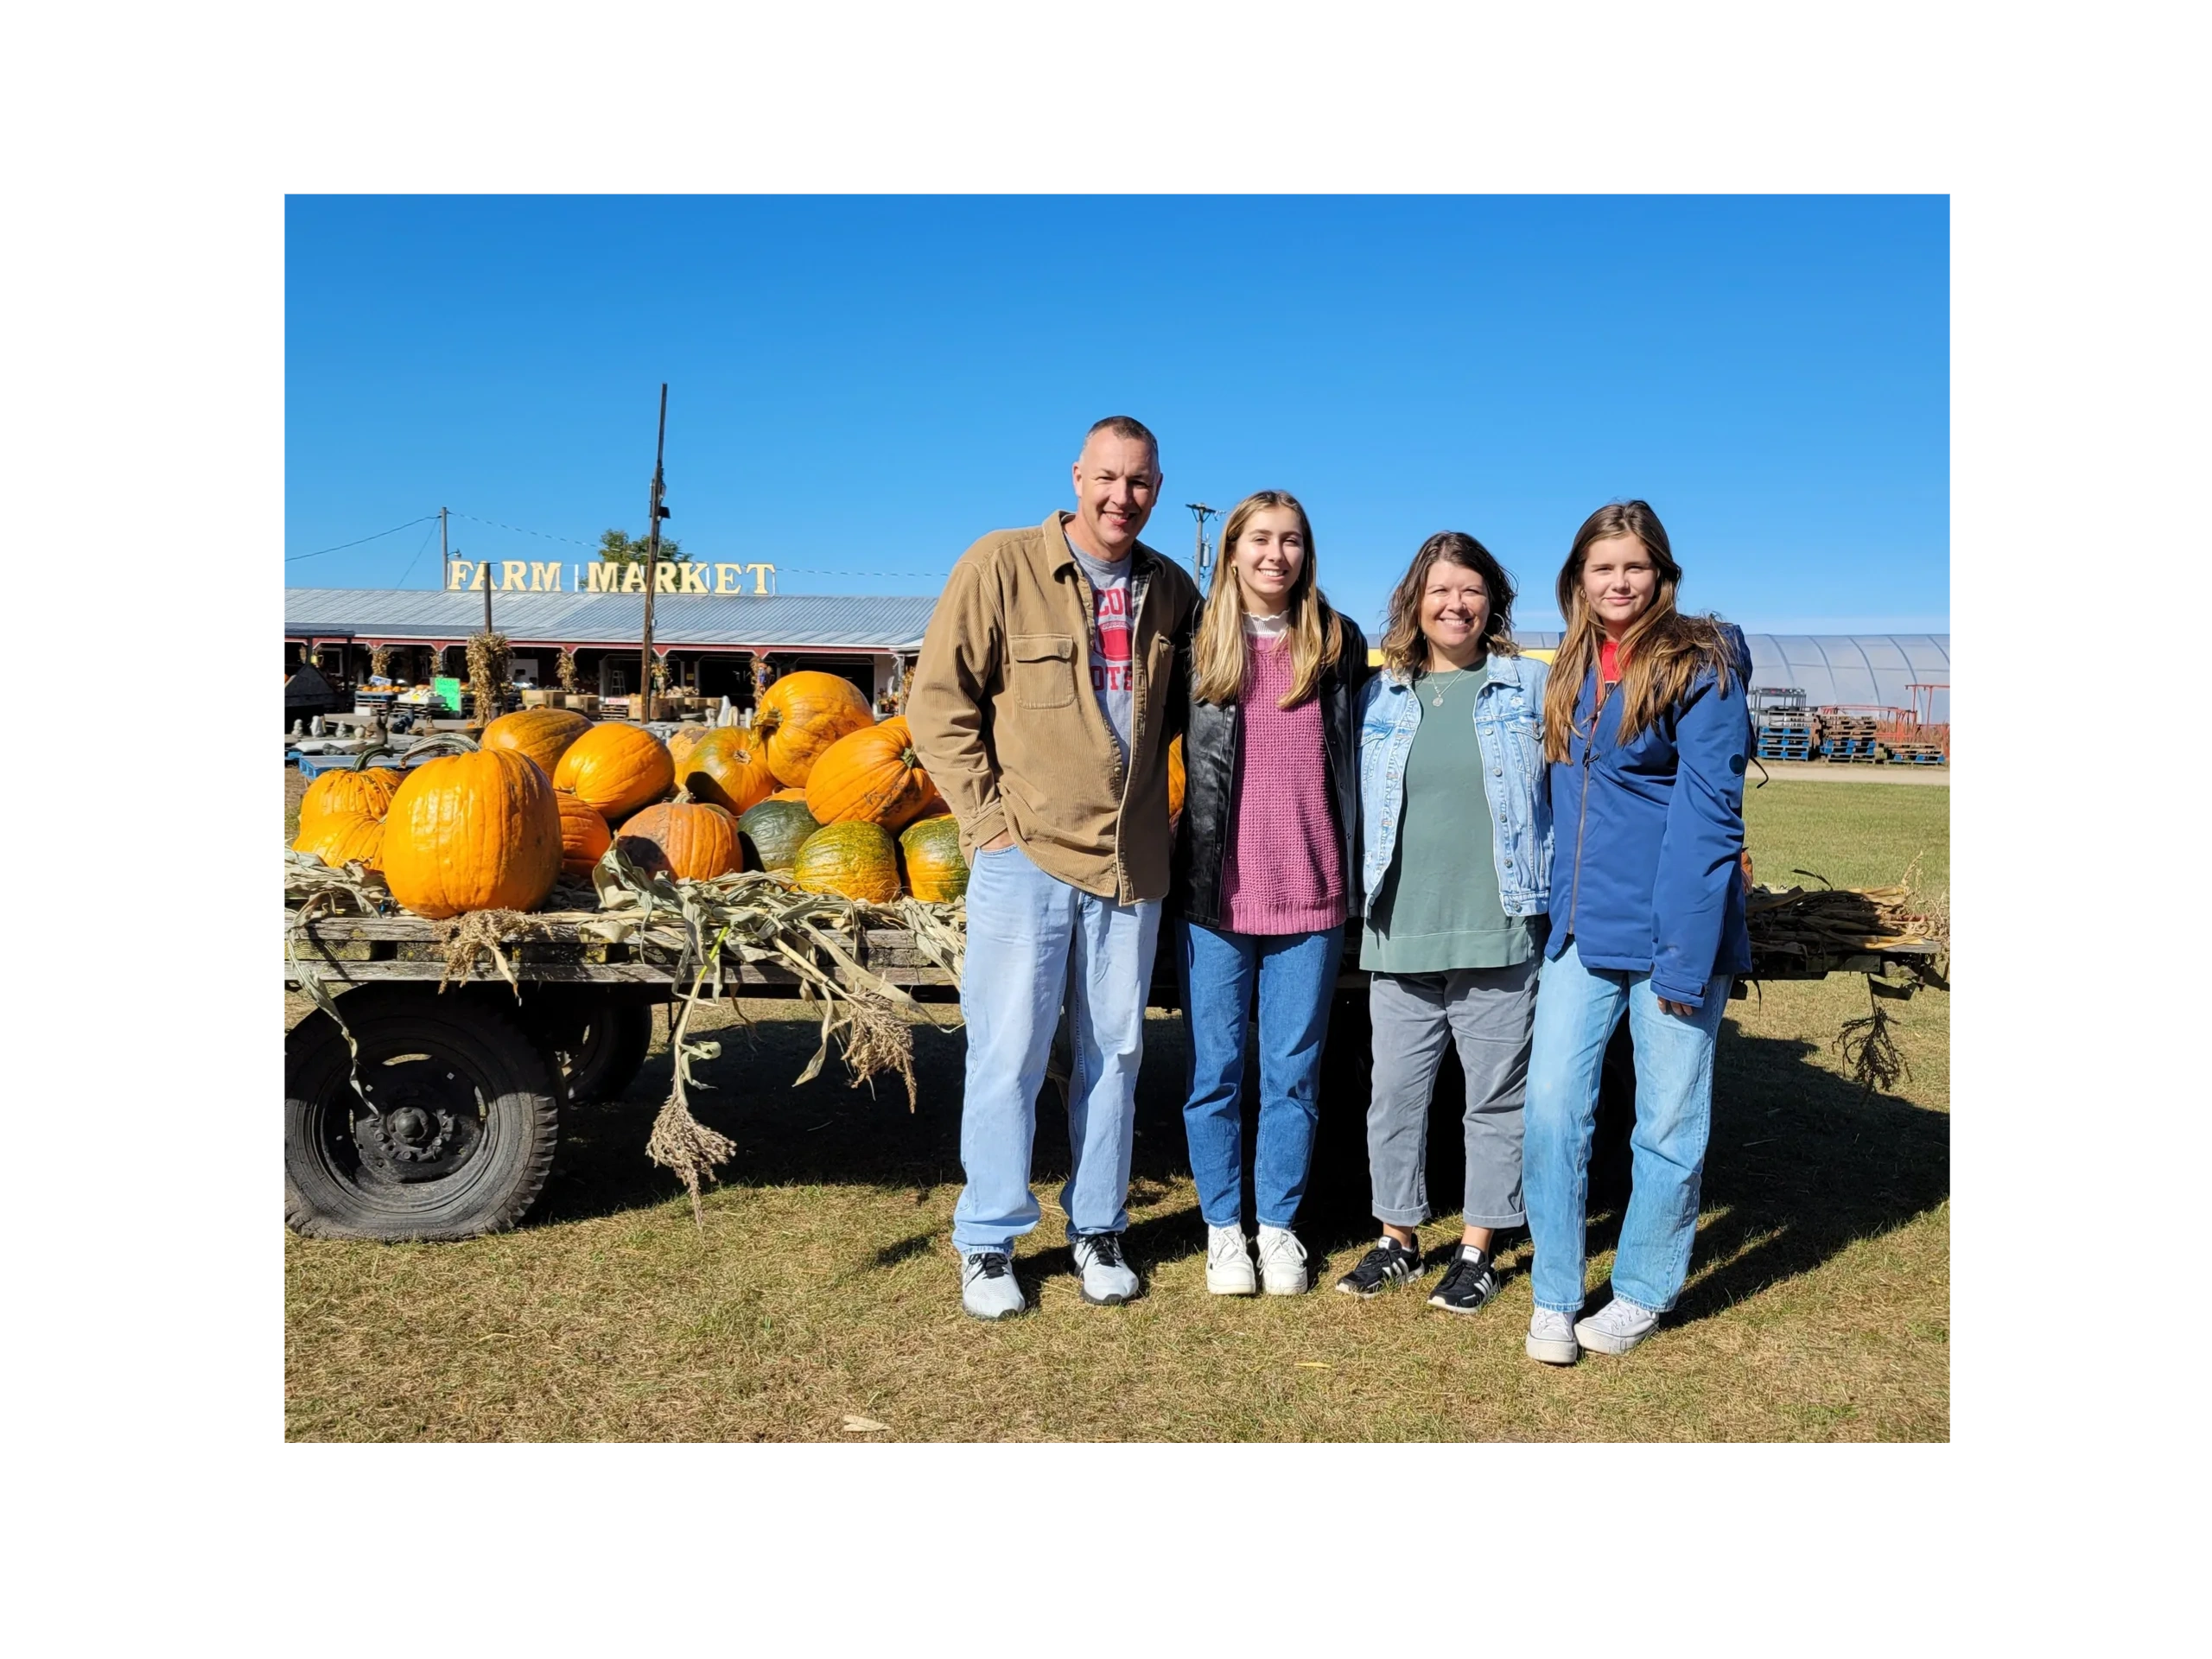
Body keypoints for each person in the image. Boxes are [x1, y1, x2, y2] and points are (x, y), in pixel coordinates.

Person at [907, 416, 1200, 1321]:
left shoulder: (1171, 590)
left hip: (1130, 864)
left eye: (1141, 482)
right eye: (1109, 478)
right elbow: (937, 703)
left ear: (1158, 486)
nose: (1123, 498)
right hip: (1023, 857)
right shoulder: (1001, 565)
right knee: (1010, 1052)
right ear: (1078, 475)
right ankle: (990, 1240)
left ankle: (1098, 1227)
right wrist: (988, 823)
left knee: (1114, 1051)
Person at [1521, 500, 1754, 1364]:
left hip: (1671, 936)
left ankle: (1640, 1290)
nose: (1618, 582)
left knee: (1664, 1125)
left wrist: (1686, 958)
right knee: (1549, 1112)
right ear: (1578, 578)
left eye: (1634, 566)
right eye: (1601, 567)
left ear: (1661, 573)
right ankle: (1554, 1292)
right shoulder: (1572, 666)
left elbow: (1707, 819)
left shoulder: (1700, 663)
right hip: (1581, 932)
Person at [1334, 532, 1554, 1314]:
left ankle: (1478, 1247)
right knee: (1393, 1095)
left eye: (1470, 590)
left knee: (1494, 1099)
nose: (1454, 604)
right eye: (1439, 591)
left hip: (1498, 928)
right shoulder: (1380, 695)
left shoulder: (1528, 690)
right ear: (1414, 603)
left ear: (1492, 599)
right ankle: (1397, 1237)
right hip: (1399, 928)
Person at [1169, 491, 1368, 1296]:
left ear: (1306, 553)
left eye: (1290, 541)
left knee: (1293, 1073)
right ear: (1232, 551)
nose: (1274, 555)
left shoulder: (1336, 642)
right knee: (1216, 1071)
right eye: (1259, 539)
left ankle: (1278, 1227)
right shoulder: (1200, 642)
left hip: (1311, 890)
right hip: (1217, 894)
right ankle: (1224, 1229)